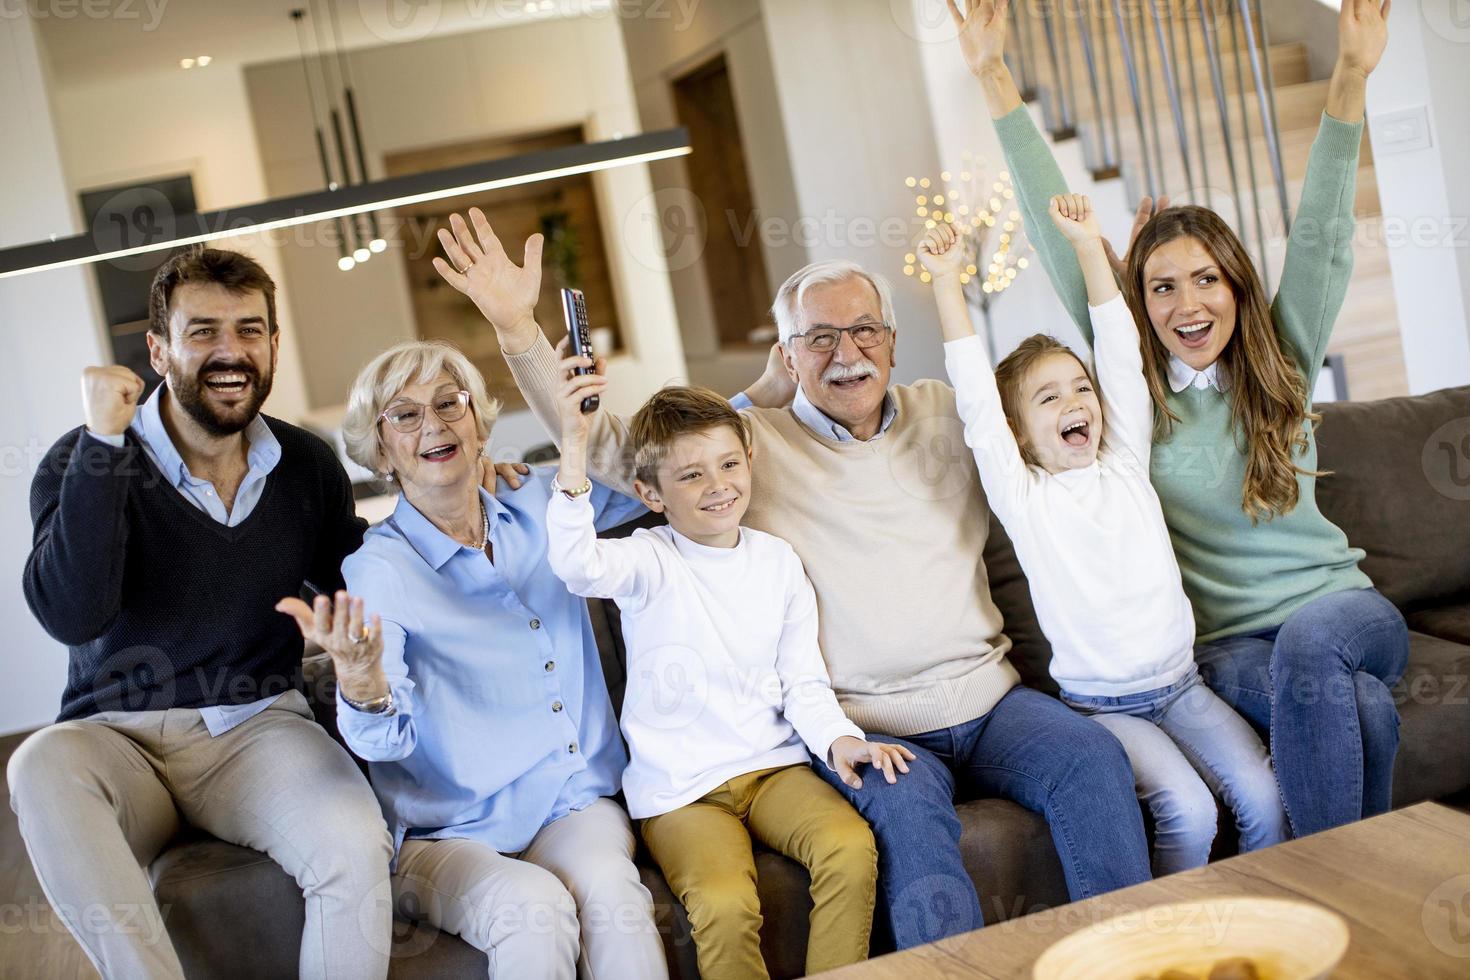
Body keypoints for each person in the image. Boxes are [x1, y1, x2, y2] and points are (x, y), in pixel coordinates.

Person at [430, 207, 1151, 948]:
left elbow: (1066, 408)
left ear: (894, 342)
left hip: (994, 701)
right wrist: (518, 329)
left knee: (1091, 759)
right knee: (910, 830)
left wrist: (1121, 283)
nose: (849, 352)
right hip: (864, 725)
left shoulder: (951, 412)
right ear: (788, 355)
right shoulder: (750, 447)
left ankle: (1137, 959)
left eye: (866, 329)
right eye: (821, 338)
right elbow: (610, 445)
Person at [950, 0, 1408, 837]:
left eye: (1206, 279)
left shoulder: (1282, 363)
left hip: (1346, 611)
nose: (1187, 303)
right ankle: (1356, 893)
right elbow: (1064, 241)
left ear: (1235, 287)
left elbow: (1320, 240)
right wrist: (993, 78)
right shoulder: (1132, 404)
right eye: (1161, 286)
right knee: (1366, 714)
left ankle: (1327, 879)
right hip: (1229, 648)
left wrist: (1350, 76)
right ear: (1141, 304)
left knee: (1321, 655)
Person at [10, 248, 394, 980]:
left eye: (250, 331)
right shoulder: (80, 459)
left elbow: (368, 580)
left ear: (275, 344)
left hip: (257, 730)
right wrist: (104, 444)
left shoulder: (306, 465)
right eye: (203, 331)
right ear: (158, 349)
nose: (231, 352)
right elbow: (73, 612)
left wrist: (463, 498)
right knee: (38, 764)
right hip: (119, 738)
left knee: (352, 839)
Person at [276, 337, 667, 980]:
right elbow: (382, 738)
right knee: (534, 910)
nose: (434, 424)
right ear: (381, 449)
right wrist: (361, 677)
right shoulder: (379, 569)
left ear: (480, 422)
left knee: (617, 898)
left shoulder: (543, 502)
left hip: (569, 803)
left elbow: (679, 467)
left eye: (449, 403)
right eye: (404, 414)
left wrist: (762, 398)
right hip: (448, 834)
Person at [920, 199, 1288, 875]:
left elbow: (1120, 357)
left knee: (1265, 797)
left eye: (1079, 388)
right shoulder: (1024, 497)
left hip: (1183, 685)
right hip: (1103, 707)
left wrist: (1091, 247)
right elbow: (975, 402)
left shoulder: (1124, 460)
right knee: (1192, 811)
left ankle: (1261, 919)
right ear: (1019, 433)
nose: (1074, 403)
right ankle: (1177, 935)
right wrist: (947, 284)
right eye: (1048, 398)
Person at [546, 376, 913, 978]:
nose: (718, 486)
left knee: (849, 848)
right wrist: (573, 446)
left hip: (773, 770)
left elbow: (803, 683)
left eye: (728, 464)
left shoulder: (778, 562)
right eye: (691, 475)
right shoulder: (647, 559)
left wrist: (839, 740)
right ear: (651, 493)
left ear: (749, 461)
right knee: (723, 902)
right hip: (681, 792)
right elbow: (575, 563)